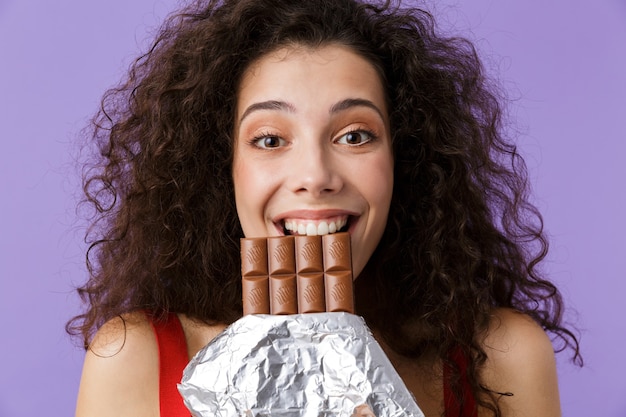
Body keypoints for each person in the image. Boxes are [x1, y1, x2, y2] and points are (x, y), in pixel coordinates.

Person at [68, 0, 581, 416]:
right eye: (270, 139)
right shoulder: (135, 360)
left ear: (406, 156)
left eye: (355, 135)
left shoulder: (502, 358)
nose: (315, 176)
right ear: (221, 164)